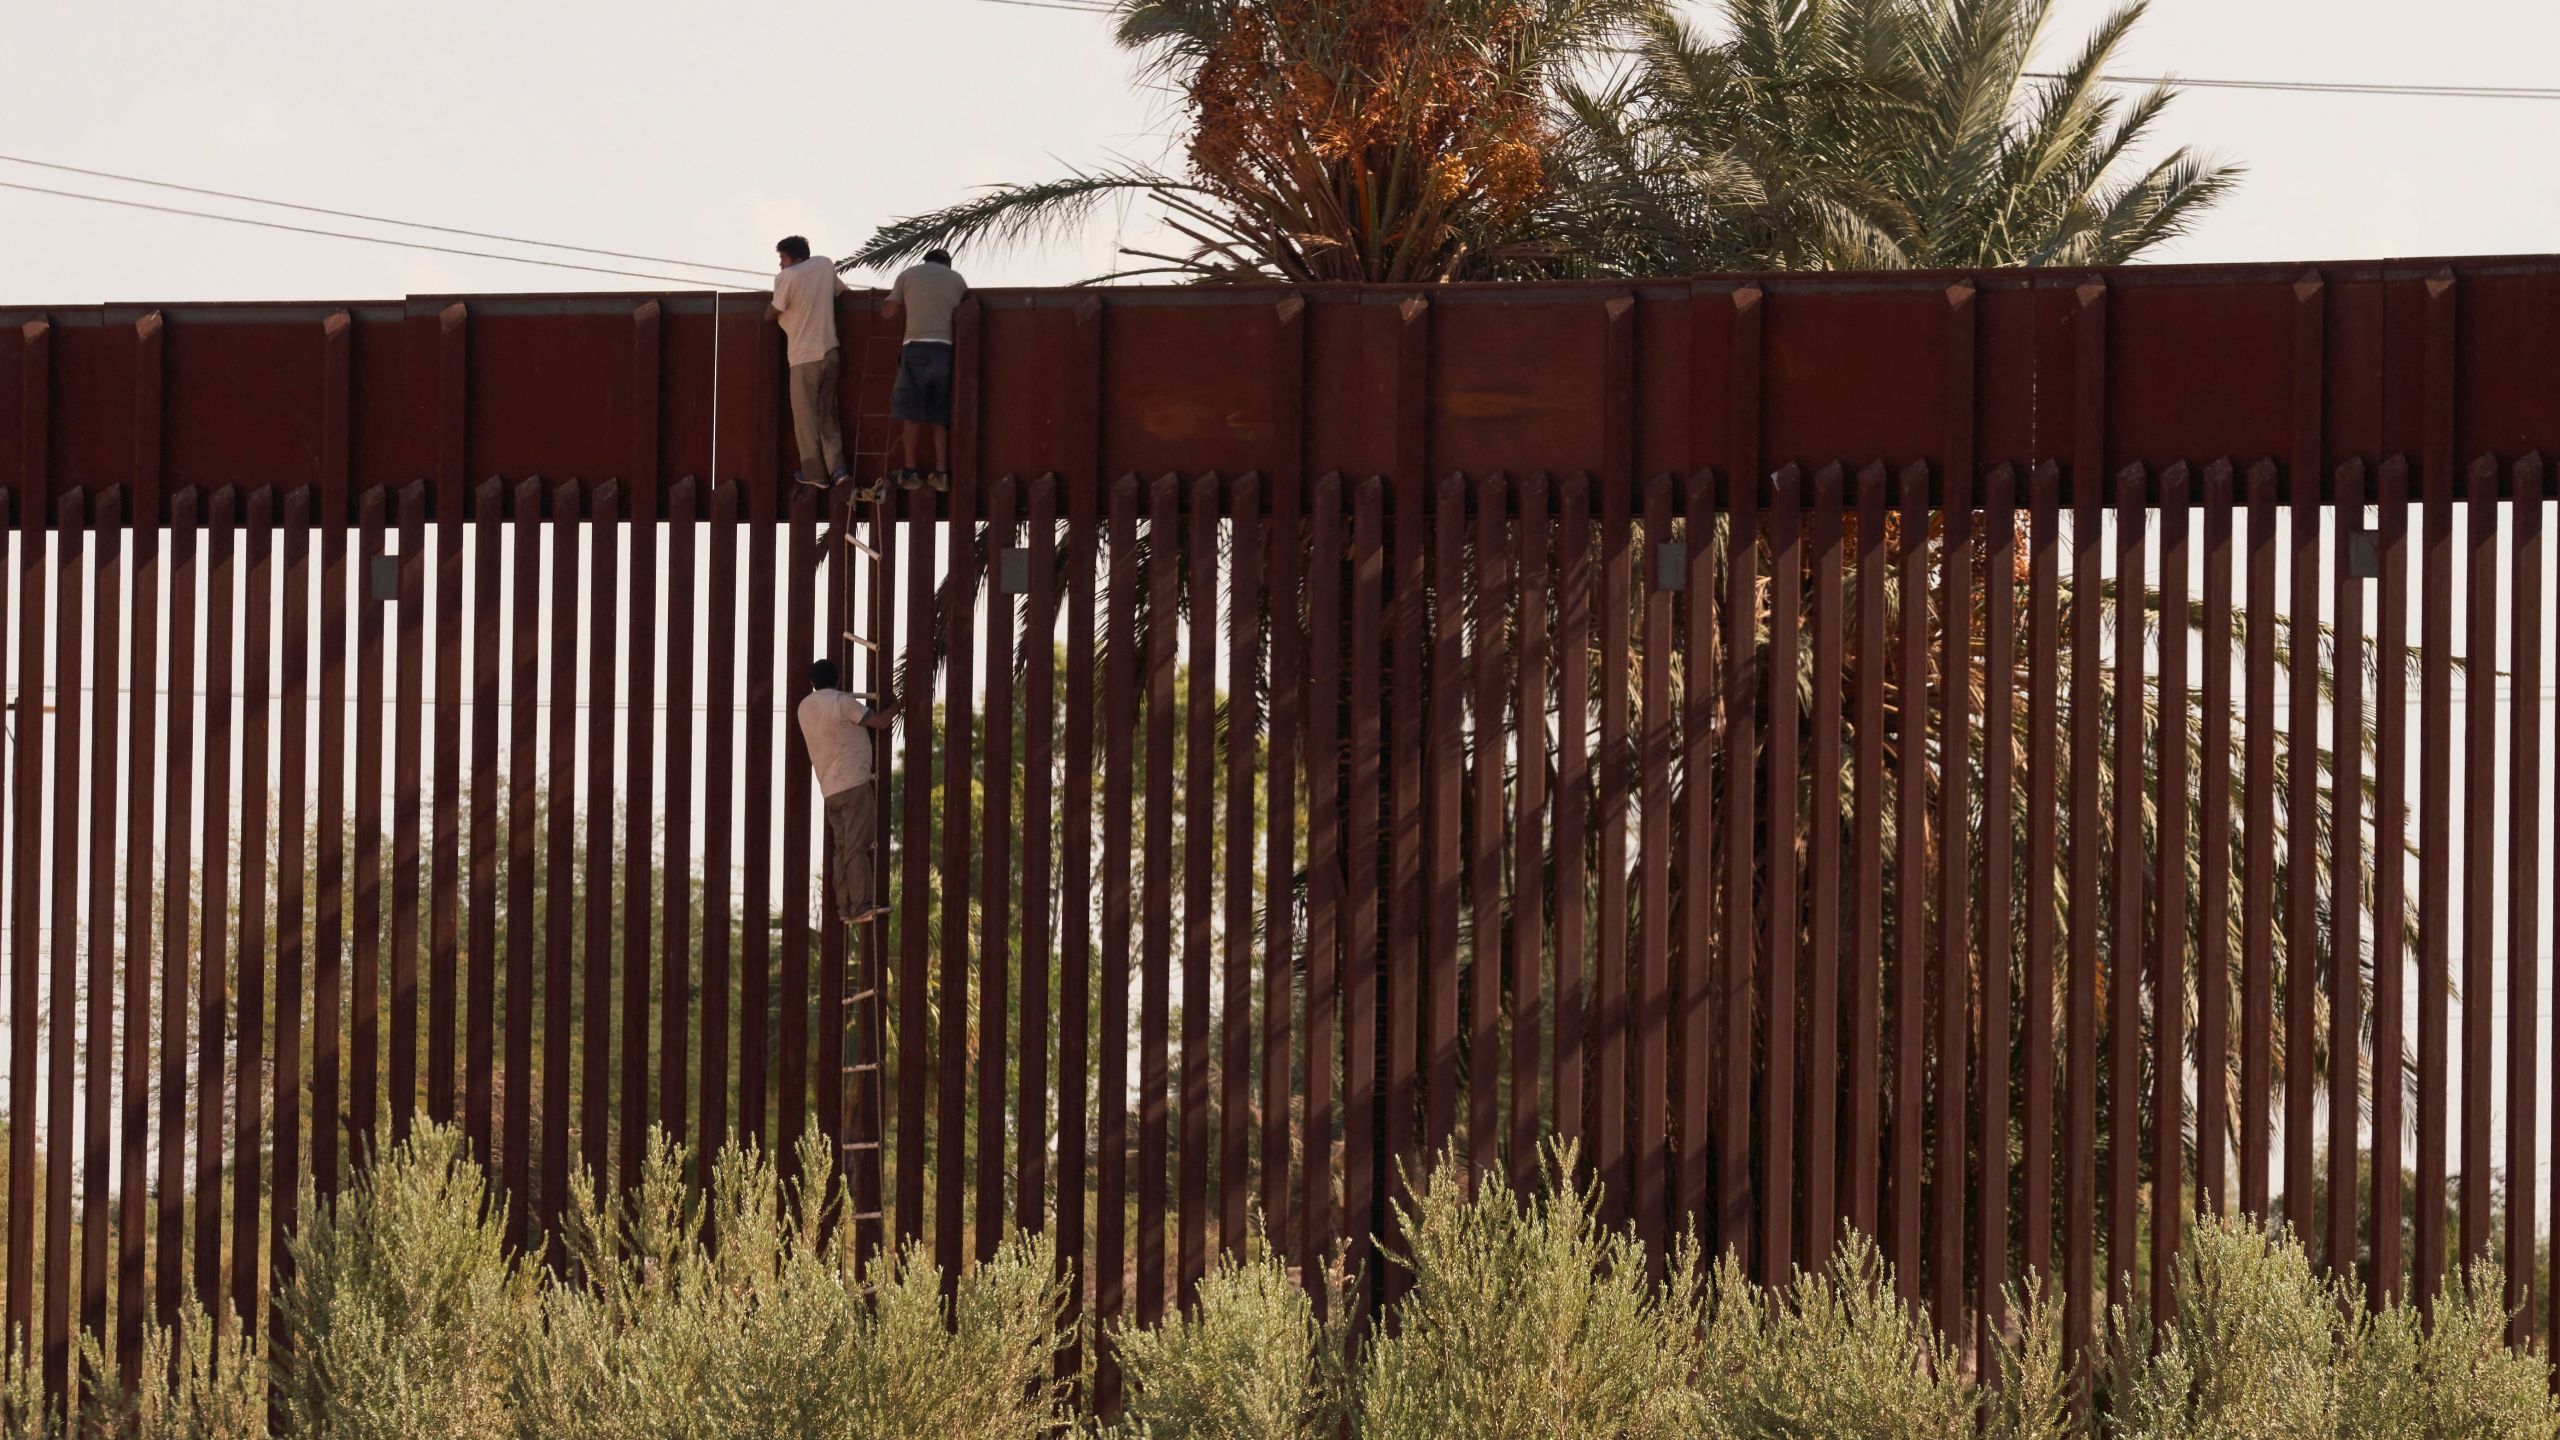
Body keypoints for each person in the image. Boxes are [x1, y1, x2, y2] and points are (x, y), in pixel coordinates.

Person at [798, 658, 895, 923]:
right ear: (838, 677)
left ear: (812, 682)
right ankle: (861, 903)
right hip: (854, 784)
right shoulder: (842, 702)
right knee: (856, 847)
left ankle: (844, 907)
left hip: (829, 789)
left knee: (842, 848)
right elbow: (880, 722)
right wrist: (900, 703)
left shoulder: (804, 707)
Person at [764, 236, 852, 490]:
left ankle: (815, 473)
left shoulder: (786, 278)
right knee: (828, 415)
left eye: (782, 258)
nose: (781, 264)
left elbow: (773, 311)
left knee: (805, 419)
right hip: (830, 351)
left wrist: (764, 315)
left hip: (803, 358)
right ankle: (839, 470)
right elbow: (841, 291)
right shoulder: (824, 265)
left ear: (794, 258)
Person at [881, 248, 968, 492]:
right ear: (947, 264)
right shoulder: (957, 279)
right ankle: (941, 473)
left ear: (926, 260)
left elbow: (890, 311)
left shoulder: (908, 274)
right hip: (946, 350)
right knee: (940, 415)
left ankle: (910, 471)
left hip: (916, 348)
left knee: (912, 413)